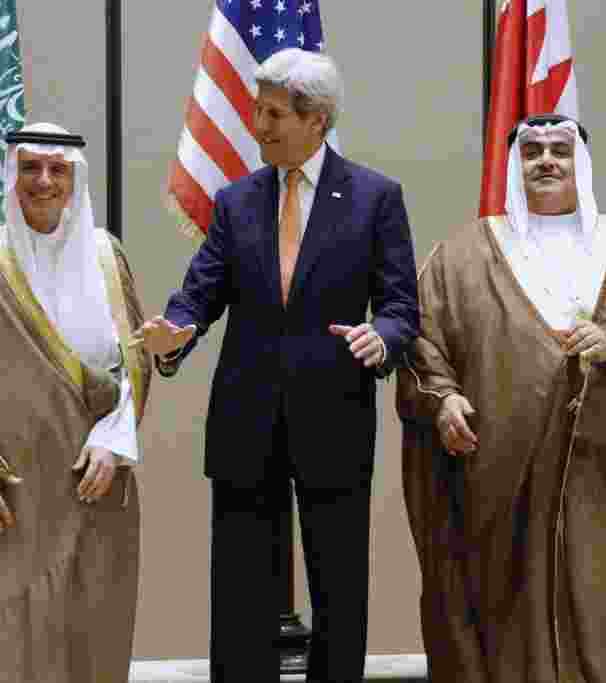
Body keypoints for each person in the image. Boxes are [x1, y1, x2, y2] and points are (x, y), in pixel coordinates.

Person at [135, 49, 419, 682]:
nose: (257, 126)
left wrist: (385, 338)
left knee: (339, 586)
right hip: (246, 420)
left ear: (315, 119)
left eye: (271, 113)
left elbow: (401, 305)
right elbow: (199, 293)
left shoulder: (375, 198)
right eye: (255, 110)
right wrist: (175, 330)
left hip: (335, 418)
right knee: (240, 590)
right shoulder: (235, 201)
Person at [398, 114, 606, 681]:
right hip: (497, 474)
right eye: (531, 152)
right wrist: (443, 399)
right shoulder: (462, 256)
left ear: (583, 166)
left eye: (560, 151)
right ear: (513, 168)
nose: (546, 161)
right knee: (505, 617)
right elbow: (421, 339)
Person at [0, 122, 152, 683]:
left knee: (85, 641)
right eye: (29, 168)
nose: (43, 181)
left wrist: (114, 441)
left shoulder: (106, 258)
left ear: (76, 179)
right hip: (6, 502)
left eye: (57, 169)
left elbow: (133, 361)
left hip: (90, 491)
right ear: (11, 174)